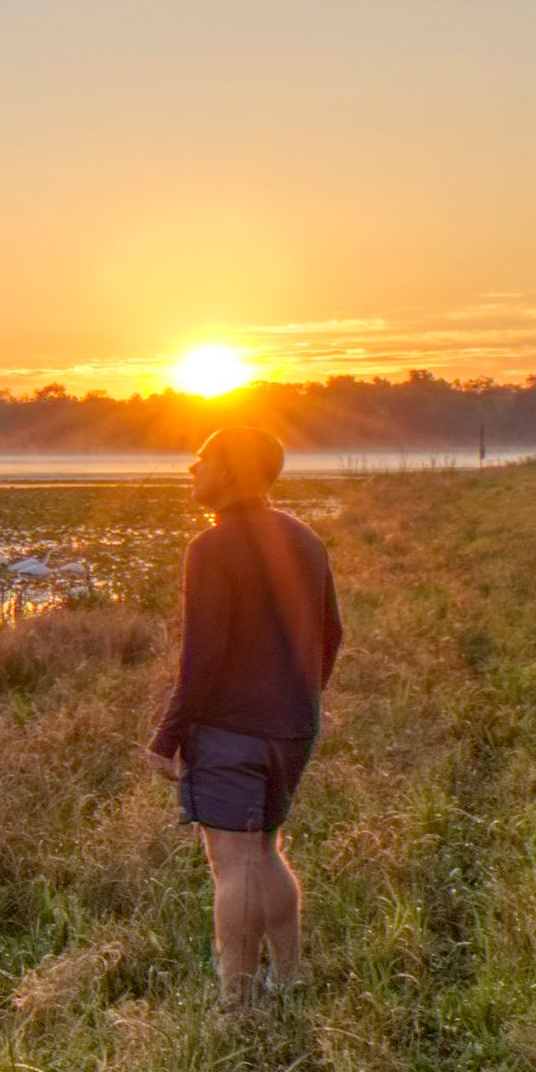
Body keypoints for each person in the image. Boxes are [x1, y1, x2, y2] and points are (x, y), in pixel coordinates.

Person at [149, 423, 343, 1003]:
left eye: (202, 458)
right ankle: (287, 981)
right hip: (291, 728)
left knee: (232, 864)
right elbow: (333, 632)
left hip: (230, 733)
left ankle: (236, 1002)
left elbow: (201, 654)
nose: (192, 469)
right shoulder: (304, 539)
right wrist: (299, 693)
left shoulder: (210, 548)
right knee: (264, 851)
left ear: (229, 472)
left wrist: (167, 735)